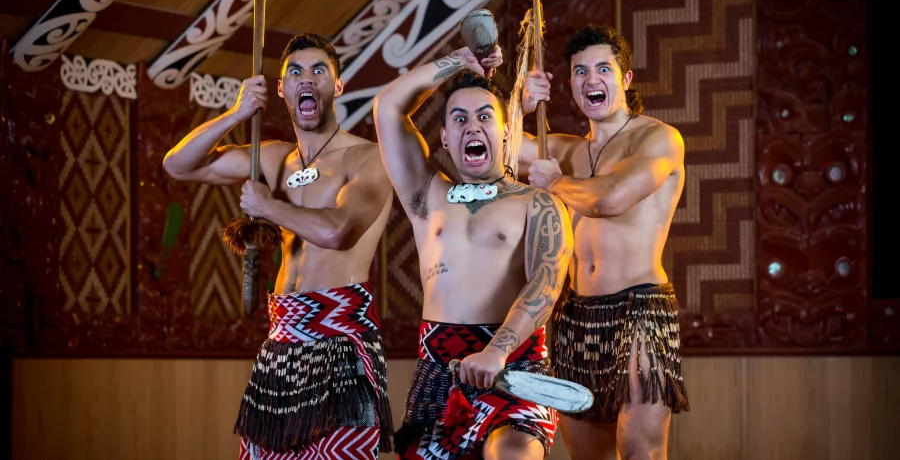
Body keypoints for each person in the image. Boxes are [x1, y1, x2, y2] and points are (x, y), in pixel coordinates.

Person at [163, 33, 394, 459]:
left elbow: (339, 233)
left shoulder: (368, 158)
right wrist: (237, 112)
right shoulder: (273, 158)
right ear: (282, 89)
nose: (307, 79)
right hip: (281, 340)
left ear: (337, 86)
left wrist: (269, 206)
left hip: (341, 341)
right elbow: (178, 164)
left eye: (319, 70)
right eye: (295, 72)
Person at [374, 45, 574, 460]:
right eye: (459, 119)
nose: (472, 127)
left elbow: (546, 284)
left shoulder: (537, 203)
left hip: (513, 366)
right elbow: (388, 106)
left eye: (485, 117)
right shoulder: (427, 195)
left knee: (512, 455)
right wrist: (458, 62)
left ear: (506, 131)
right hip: (438, 371)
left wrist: (497, 350)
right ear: (445, 138)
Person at [519, 24, 690, 460]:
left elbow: (610, 198)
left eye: (603, 69)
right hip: (578, 314)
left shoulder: (657, 138)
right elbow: (499, 146)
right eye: (580, 71)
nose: (590, 79)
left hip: (640, 309)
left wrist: (555, 182)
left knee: (640, 452)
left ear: (625, 78)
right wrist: (521, 105)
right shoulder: (568, 150)